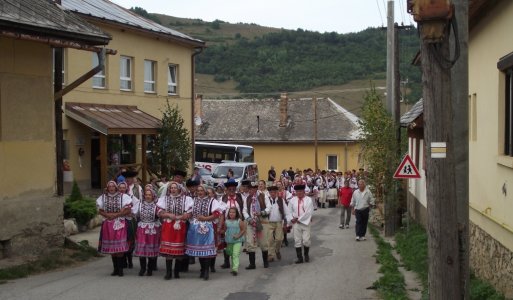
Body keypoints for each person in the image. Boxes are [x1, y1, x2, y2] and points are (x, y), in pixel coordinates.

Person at [157, 181, 193, 280]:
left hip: (180, 226)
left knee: (179, 250)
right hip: (168, 225)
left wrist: (180, 217)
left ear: (179, 189)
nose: (173, 189)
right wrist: (168, 215)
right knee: (169, 250)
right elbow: (159, 212)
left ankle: (177, 271)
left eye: (174, 188)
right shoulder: (164, 199)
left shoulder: (186, 199)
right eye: (171, 188)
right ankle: (168, 272)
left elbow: (189, 214)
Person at [185, 185, 222, 280]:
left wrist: (205, 218)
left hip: (207, 226)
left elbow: (217, 213)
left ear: (205, 191)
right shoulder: (194, 200)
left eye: (201, 190)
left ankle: (206, 271)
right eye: (198, 190)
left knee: (206, 250)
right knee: (199, 250)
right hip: (195, 227)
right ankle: (202, 269)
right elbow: (189, 212)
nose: (199, 192)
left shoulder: (212, 201)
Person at [96, 180, 132, 276]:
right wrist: (107, 215)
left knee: (119, 247)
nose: (111, 188)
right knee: (112, 248)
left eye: (113, 186)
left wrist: (116, 215)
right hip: (108, 224)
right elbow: (99, 210)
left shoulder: (123, 197)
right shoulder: (103, 197)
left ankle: (120, 269)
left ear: (116, 187)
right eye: (110, 186)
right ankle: (115, 269)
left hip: (119, 223)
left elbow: (128, 210)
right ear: (107, 188)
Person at [243, 182, 271, 269]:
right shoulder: (247, 198)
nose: (252, 190)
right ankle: (252, 264)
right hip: (251, 222)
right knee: (250, 242)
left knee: (263, 242)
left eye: (254, 188)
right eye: (250, 188)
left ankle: (265, 262)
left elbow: (269, 207)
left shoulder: (263, 196)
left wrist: (262, 213)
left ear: (256, 188)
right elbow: (244, 210)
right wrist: (249, 219)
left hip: (262, 221)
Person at [134, 188, 161, 276]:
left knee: (151, 249)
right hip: (142, 228)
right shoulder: (140, 204)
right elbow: (134, 213)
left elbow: (161, 214)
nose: (148, 196)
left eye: (150, 195)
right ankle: (142, 268)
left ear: (153, 196)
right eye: (146, 195)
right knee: (142, 248)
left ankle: (150, 268)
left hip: (153, 228)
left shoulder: (157, 205)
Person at [220, 180, 245, 269]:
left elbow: (244, 209)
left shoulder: (240, 197)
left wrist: (243, 221)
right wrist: (221, 224)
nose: (231, 190)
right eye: (229, 189)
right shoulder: (223, 198)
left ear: (235, 189)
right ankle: (226, 262)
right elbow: (221, 212)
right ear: (226, 190)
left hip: (237, 223)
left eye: (233, 189)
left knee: (236, 240)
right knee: (226, 243)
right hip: (227, 223)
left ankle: (235, 259)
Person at [288, 184, 314, 263]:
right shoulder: (292, 200)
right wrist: (292, 218)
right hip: (296, 223)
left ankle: (306, 254)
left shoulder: (308, 200)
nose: (299, 193)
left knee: (306, 240)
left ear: (303, 191)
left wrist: (299, 219)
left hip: (305, 222)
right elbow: (289, 211)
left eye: (300, 191)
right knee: (297, 240)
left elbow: (309, 212)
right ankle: (300, 258)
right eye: (297, 191)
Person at [266, 186, 291, 262]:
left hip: (278, 222)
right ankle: (270, 255)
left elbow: (287, 211)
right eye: (271, 192)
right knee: (270, 240)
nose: (273, 194)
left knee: (279, 239)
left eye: (274, 192)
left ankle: (277, 250)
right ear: (269, 193)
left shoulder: (281, 200)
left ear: (277, 192)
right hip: (269, 222)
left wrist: (287, 221)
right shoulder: (266, 200)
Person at [224, 207, 246, 276]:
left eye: (233, 212)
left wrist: (238, 236)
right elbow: (224, 230)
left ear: (236, 213)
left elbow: (243, 230)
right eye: (230, 212)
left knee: (235, 254)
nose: (231, 213)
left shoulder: (239, 221)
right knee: (231, 254)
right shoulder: (226, 221)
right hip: (229, 241)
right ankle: (234, 267)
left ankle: (235, 269)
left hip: (237, 241)